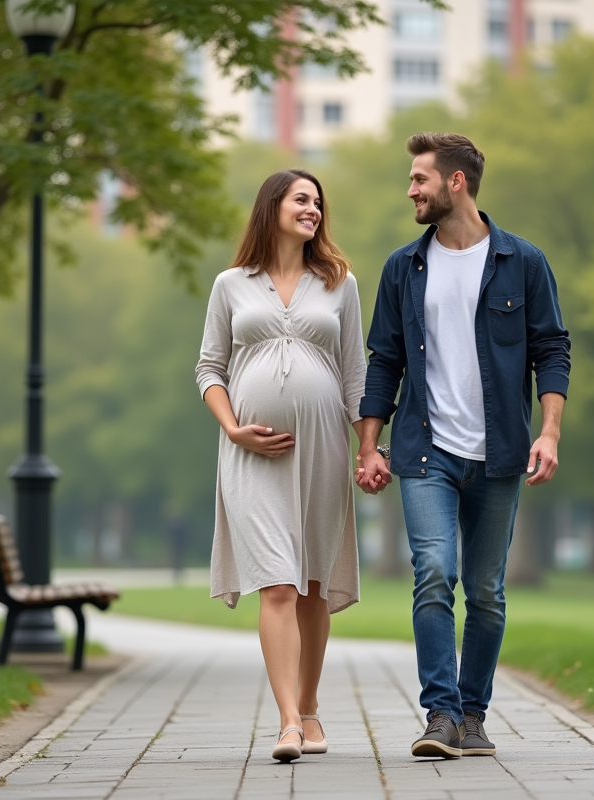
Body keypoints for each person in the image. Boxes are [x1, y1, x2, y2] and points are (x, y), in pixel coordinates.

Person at [355, 133, 571, 759]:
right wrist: (370, 446)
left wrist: (549, 431)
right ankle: (440, 715)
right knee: (433, 574)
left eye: (419, 178)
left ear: (456, 183)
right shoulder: (403, 268)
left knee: (485, 592)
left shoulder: (523, 262)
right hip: (424, 449)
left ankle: (473, 716)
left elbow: (552, 349)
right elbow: (384, 361)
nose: (410, 190)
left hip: (501, 451)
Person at [196, 169, 367, 763]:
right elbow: (209, 369)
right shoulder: (230, 285)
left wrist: (368, 448)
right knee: (277, 584)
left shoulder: (340, 284)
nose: (314, 210)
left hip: (323, 450)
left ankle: (312, 706)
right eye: (302, 199)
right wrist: (233, 428)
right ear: (272, 206)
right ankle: (288, 721)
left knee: (313, 585)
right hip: (252, 456)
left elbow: (354, 378)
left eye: (318, 202)